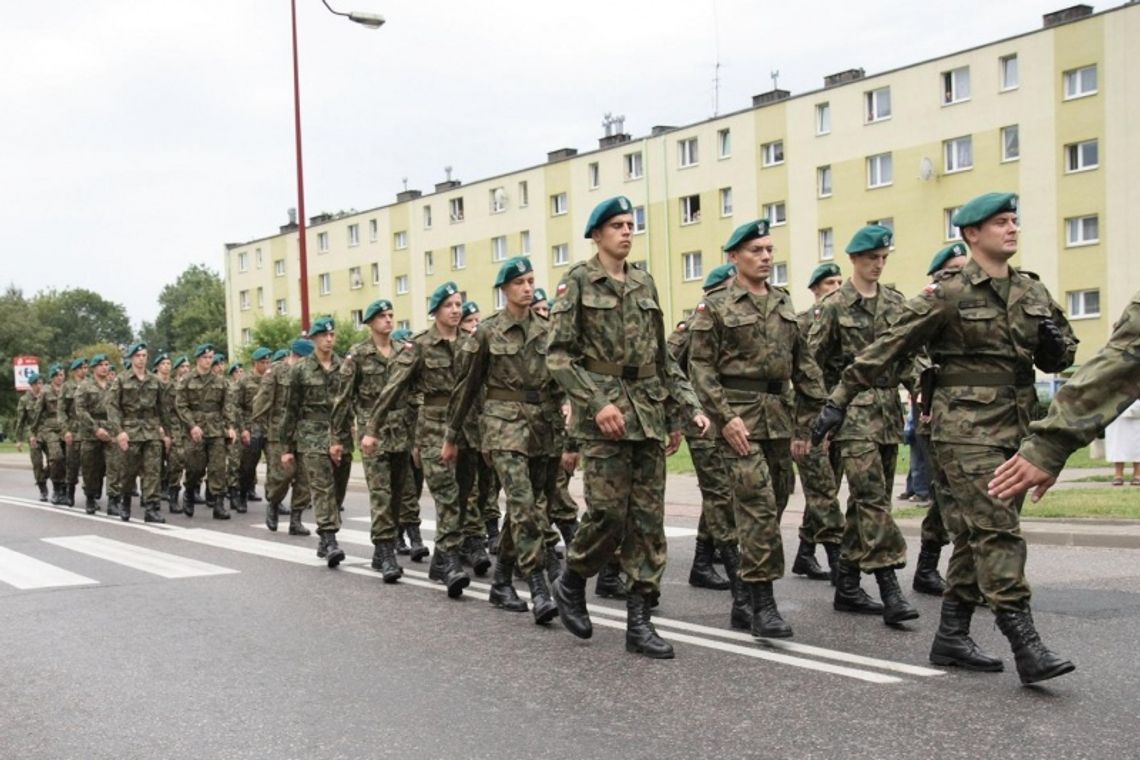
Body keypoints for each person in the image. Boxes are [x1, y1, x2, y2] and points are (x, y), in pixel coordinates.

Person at [814, 192, 1077, 685]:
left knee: (979, 537)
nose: (1012, 228)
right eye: (1000, 222)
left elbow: (1059, 359)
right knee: (999, 531)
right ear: (972, 234)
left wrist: (1054, 344)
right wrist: (837, 402)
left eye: (1014, 220)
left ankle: (952, 635)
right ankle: (1026, 644)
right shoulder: (949, 293)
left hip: (1020, 429)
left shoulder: (1033, 292)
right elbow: (886, 347)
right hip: (964, 431)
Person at [546, 195, 708, 659]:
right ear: (596, 235)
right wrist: (596, 404)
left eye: (629, 224)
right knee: (607, 516)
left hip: (649, 414)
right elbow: (558, 357)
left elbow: (662, 359)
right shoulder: (577, 282)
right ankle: (572, 579)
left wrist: (686, 408)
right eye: (616, 225)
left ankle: (640, 622)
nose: (626, 231)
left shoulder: (644, 283)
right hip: (606, 420)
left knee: (647, 523)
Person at [689, 220, 828, 638]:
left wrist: (807, 426)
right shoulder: (714, 306)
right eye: (756, 250)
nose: (766, 257)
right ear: (734, 257)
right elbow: (700, 368)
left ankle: (742, 599)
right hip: (738, 420)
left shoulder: (784, 304)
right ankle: (763, 606)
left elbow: (805, 369)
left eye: (769, 250)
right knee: (757, 510)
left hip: (779, 418)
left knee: (779, 501)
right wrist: (724, 416)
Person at [808, 224, 921, 627]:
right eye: (872, 257)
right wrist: (818, 415)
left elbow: (910, 354)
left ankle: (848, 585)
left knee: (867, 502)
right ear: (854, 259)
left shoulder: (895, 302)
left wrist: (923, 388)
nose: (878, 264)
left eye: (883, 258)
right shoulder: (835, 305)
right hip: (851, 411)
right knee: (871, 497)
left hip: (889, 410)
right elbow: (812, 363)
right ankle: (890, 587)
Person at [444, 256, 561, 623]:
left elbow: (559, 382)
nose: (527, 288)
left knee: (527, 509)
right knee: (523, 503)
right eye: (519, 283)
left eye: (530, 281)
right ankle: (539, 587)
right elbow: (467, 388)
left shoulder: (547, 329)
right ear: (505, 290)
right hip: (502, 426)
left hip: (542, 427)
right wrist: (452, 435)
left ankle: (502, 582)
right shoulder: (486, 333)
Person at [365, 284, 471, 597]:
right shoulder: (419, 347)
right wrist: (372, 429)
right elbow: (393, 388)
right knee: (447, 496)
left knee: (464, 498)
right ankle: (450, 562)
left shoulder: (473, 342)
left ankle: (440, 558)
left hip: (469, 429)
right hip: (433, 431)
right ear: (436, 311)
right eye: (449, 305)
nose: (455, 310)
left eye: (458, 304)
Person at [989, 290, 1140, 502]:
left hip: (1017, 414)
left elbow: (1125, 358)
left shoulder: (1032, 290)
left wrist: (1049, 446)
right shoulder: (944, 294)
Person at [667, 263, 735, 594]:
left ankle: (706, 559)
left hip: (729, 421)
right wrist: (673, 421)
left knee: (725, 492)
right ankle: (706, 562)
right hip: (701, 423)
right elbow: (666, 370)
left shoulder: (733, 325)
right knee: (719, 491)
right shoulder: (692, 327)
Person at [333, 300, 407, 582]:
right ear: (370, 322)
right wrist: (338, 438)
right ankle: (386, 552)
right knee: (380, 493)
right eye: (382, 317)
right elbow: (343, 399)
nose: (388, 320)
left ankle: (382, 547)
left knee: (399, 494)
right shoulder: (358, 355)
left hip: (401, 432)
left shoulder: (403, 351)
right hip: (371, 435)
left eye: (390, 315)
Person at [791, 262, 847, 582]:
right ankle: (838, 563)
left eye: (840, 281)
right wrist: (806, 425)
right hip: (813, 417)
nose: (836, 287)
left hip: (841, 415)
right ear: (815, 290)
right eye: (829, 283)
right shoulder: (801, 323)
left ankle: (805, 553)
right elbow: (799, 375)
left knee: (829, 487)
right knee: (823, 489)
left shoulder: (846, 321)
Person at [282, 318, 350, 567]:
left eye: (332, 334)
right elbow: (290, 409)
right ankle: (330, 539)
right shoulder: (300, 370)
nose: (329, 339)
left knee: (338, 489)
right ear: (313, 339)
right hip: (311, 434)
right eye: (323, 335)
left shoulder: (345, 367)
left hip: (341, 434)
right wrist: (287, 448)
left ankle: (325, 536)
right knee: (322, 487)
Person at [452, 300, 495, 577]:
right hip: (462, 429)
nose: (474, 327)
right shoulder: (459, 351)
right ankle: (471, 542)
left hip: (486, 427)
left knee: (487, 489)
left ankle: (470, 539)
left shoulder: (485, 348)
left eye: (477, 321)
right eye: (469, 322)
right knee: (468, 490)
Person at [251, 341, 312, 535]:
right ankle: (274, 503)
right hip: (278, 433)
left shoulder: (311, 373)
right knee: (283, 475)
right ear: (295, 356)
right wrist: (260, 427)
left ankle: (296, 520)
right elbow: (261, 401)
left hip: (304, 432)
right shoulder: (276, 371)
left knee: (304, 477)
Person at [107, 343, 169, 523]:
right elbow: (112, 407)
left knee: (153, 471)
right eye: (138, 355)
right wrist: (119, 432)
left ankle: (151, 508)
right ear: (132, 358)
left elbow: (163, 407)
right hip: (130, 430)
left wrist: (166, 433)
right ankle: (125, 501)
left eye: (144, 355)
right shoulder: (121, 379)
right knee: (128, 471)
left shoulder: (154, 380)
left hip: (151, 430)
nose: (142, 358)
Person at [176, 343, 235, 520]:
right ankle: (189, 493)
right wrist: (192, 425)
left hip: (216, 429)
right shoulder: (187, 380)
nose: (208, 361)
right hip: (195, 430)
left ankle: (218, 504)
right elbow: (181, 405)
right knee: (195, 468)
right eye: (205, 358)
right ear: (198, 359)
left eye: (211, 358)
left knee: (218, 468)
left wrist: (230, 427)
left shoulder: (220, 381)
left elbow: (227, 405)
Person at [74, 354, 115, 514]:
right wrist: (95, 429)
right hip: (91, 432)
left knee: (114, 466)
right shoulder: (85, 386)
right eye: (101, 365)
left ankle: (113, 500)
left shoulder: (114, 385)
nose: (105, 367)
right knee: (91, 468)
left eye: (106, 364)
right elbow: (80, 410)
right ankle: (90, 498)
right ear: (94, 368)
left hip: (111, 429)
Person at [234, 348, 273, 515]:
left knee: (275, 466)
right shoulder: (244, 381)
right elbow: (236, 407)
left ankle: (274, 501)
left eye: (267, 362)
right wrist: (243, 429)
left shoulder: (272, 379)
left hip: (271, 428)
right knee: (248, 467)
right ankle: (242, 495)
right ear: (255, 363)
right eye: (262, 362)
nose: (265, 365)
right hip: (252, 427)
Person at [30, 363, 68, 505]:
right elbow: (37, 414)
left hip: (66, 428)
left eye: (63, 375)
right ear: (53, 377)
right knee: (56, 457)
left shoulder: (67, 390)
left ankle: (64, 489)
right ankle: (57, 489)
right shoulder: (45, 392)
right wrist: (34, 433)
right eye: (58, 375)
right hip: (50, 430)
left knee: (68, 460)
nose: (61, 378)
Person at [14, 372, 49, 501]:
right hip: (34, 434)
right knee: (37, 462)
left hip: (49, 432)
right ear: (31, 385)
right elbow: (20, 421)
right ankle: (43, 489)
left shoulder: (46, 396)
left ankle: (43, 476)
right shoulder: (24, 400)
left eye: (41, 383)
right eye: (37, 384)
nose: (40, 386)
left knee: (57, 460)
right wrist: (18, 439)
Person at [60, 357, 88, 507]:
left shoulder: (90, 385)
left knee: (90, 466)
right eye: (82, 368)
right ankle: (69, 493)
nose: (85, 370)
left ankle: (90, 495)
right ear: (76, 370)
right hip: (73, 430)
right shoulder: (67, 387)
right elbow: (61, 410)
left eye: (86, 368)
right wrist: (66, 430)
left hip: (89, 431)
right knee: (72, 465)